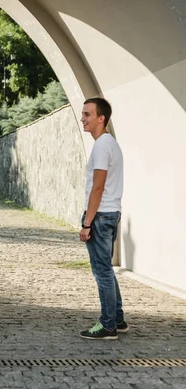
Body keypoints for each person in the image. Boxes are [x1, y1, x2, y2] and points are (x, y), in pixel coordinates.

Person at [79, 97, 127, 340]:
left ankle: (108, 325)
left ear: (102, 118)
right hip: (111, 213)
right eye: (82, 114)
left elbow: (98, 187)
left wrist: (87, 223)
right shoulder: (112, 144)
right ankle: (117, 318)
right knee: (106, 268)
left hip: (100, 216)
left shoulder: (101, 146)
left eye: (87, 114)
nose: (82, 119)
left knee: (102, 272)